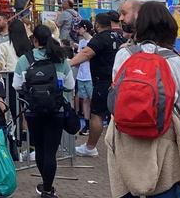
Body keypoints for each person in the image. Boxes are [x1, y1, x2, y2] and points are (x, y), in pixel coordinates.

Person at [106, 1, 180, 198]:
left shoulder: (124, 55)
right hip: (165, 149)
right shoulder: (177, 62)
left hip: (127, 146)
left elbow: (116, 99)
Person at [22, 25, 70, 198]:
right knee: (51, 151)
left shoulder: (25, 59)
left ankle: (45, 183)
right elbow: (70, 85)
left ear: (34, 39)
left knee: (40, 149)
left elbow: (16, 85)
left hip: (33, 111)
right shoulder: (60, 58)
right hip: (55, 111)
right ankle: (48, 189)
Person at [68, 10, 125, 157]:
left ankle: (90, 147)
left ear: (97, 24)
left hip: (103, 82)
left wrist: (69, 63)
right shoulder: (120, 37)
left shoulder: (100, 38)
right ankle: (122, 147)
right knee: (118, 115)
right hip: (121, 81)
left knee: (97, 115)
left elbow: (86, 53)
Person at [72, 19, 94, 134]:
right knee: (84, 99)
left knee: (91, 99)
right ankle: (87, 124)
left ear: (84, 28)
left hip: (90, 75)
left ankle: (93, 123)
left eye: (79, 27)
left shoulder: (93, 41)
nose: (78, 30)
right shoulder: (81, 42)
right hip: (81, 75)